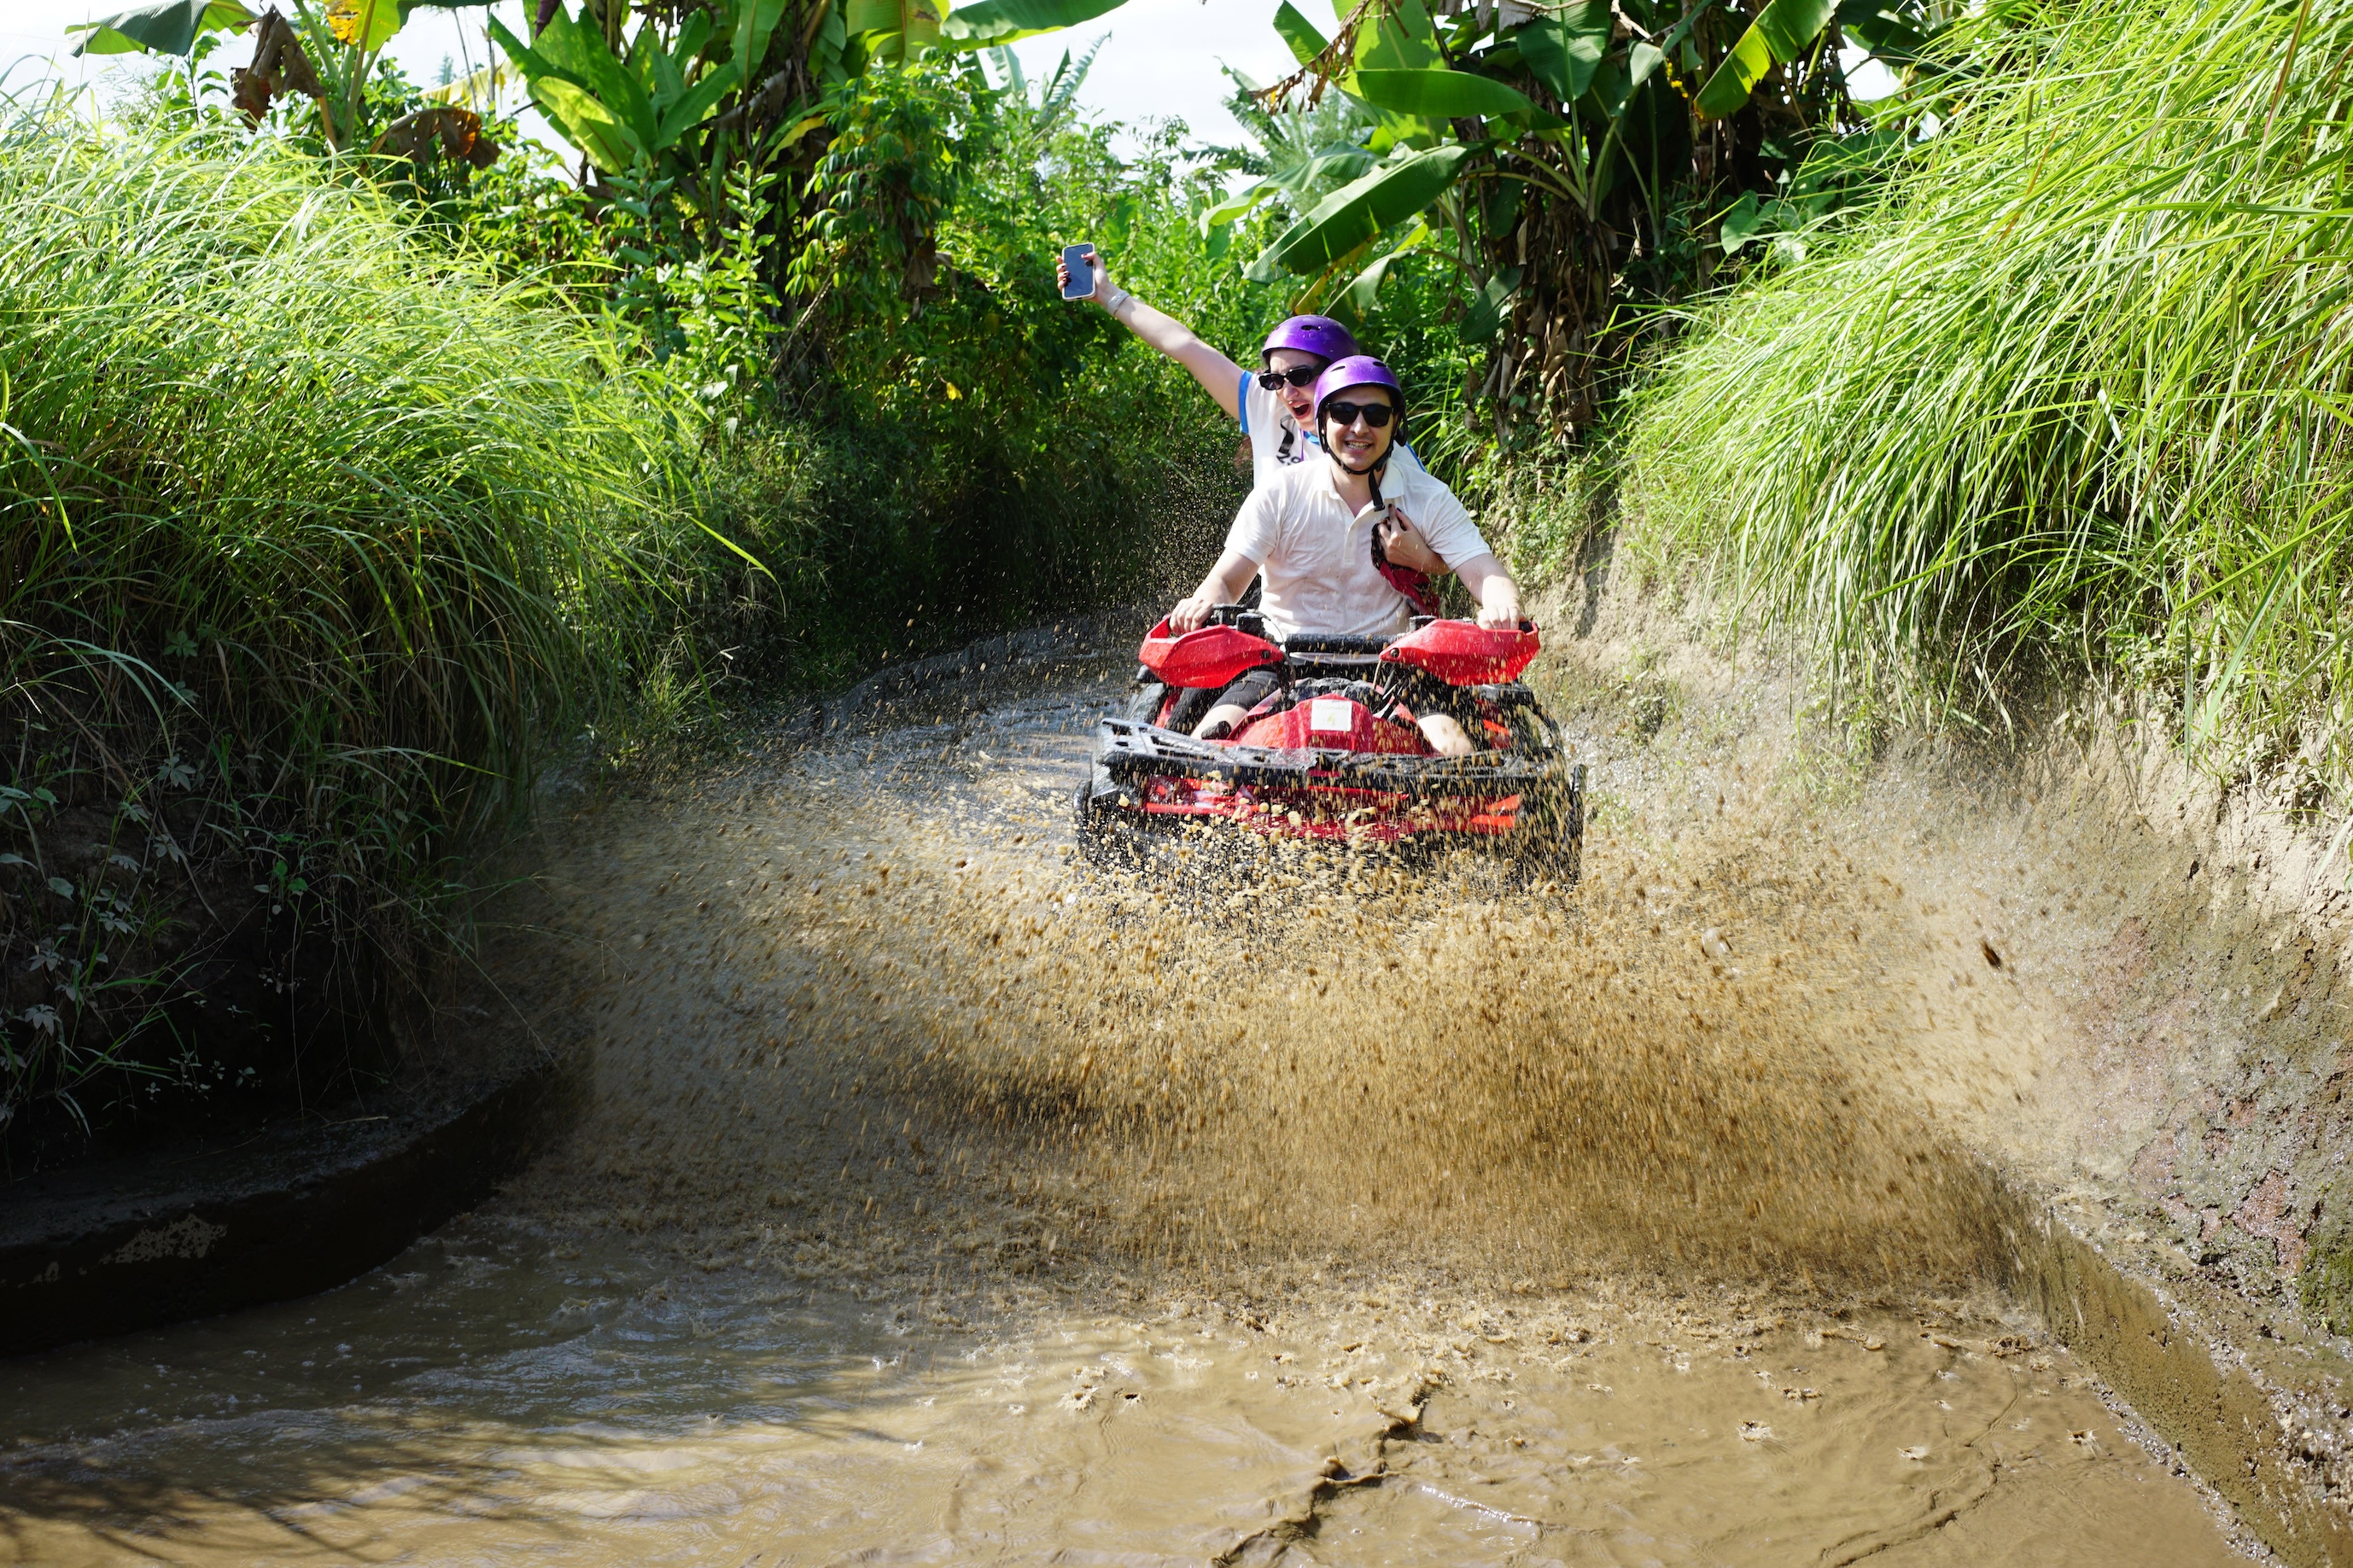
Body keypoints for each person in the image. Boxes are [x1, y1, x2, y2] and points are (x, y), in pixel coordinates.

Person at [1165, 357, 1522, 759]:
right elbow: (1228, 581)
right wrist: (1202, 602)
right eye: (1343, 413)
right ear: (1321, 423)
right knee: (1203, 748)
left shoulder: (1430, 497)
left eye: (1375, 414)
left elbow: (1485, 573)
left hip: (1394, 667)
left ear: (1395, 425)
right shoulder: (1279, 494)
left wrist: (1502, 606)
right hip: (1279, 663)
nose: (1359, 428)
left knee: (1457, 752)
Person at [1056, 246, 1444, 578]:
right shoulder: (1265, 404)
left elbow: (1453, 552)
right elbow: (1185, 345)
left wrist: (1422, 558)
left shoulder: (1377, 440)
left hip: (1374, 618)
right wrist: (1108, 294)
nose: (1287, 391)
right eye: (1276, 380)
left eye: (1301, 375)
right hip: (1289, 609)